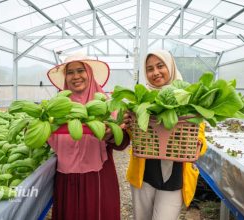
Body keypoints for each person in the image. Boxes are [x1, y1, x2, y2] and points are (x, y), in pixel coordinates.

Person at [46, 53, 131, 220]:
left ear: (90, 74)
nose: (76, 76)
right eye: (70, 72)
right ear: (65, 77)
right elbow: (46, 140)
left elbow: (123, 143)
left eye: (80, 70)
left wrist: (111, 135)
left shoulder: (106, 105)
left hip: (98, 176)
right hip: (66, 177)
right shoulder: (56, 107)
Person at [126, 49, 207, 220]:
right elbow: (133, 135)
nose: (155, 72)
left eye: (160, 66)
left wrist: (197, 146)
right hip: (144, 171)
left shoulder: (188, 98)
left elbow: (199, 134)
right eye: (149, 68)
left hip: (175, 174)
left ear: (170, 66)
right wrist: (127, 124)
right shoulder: (141, 99)